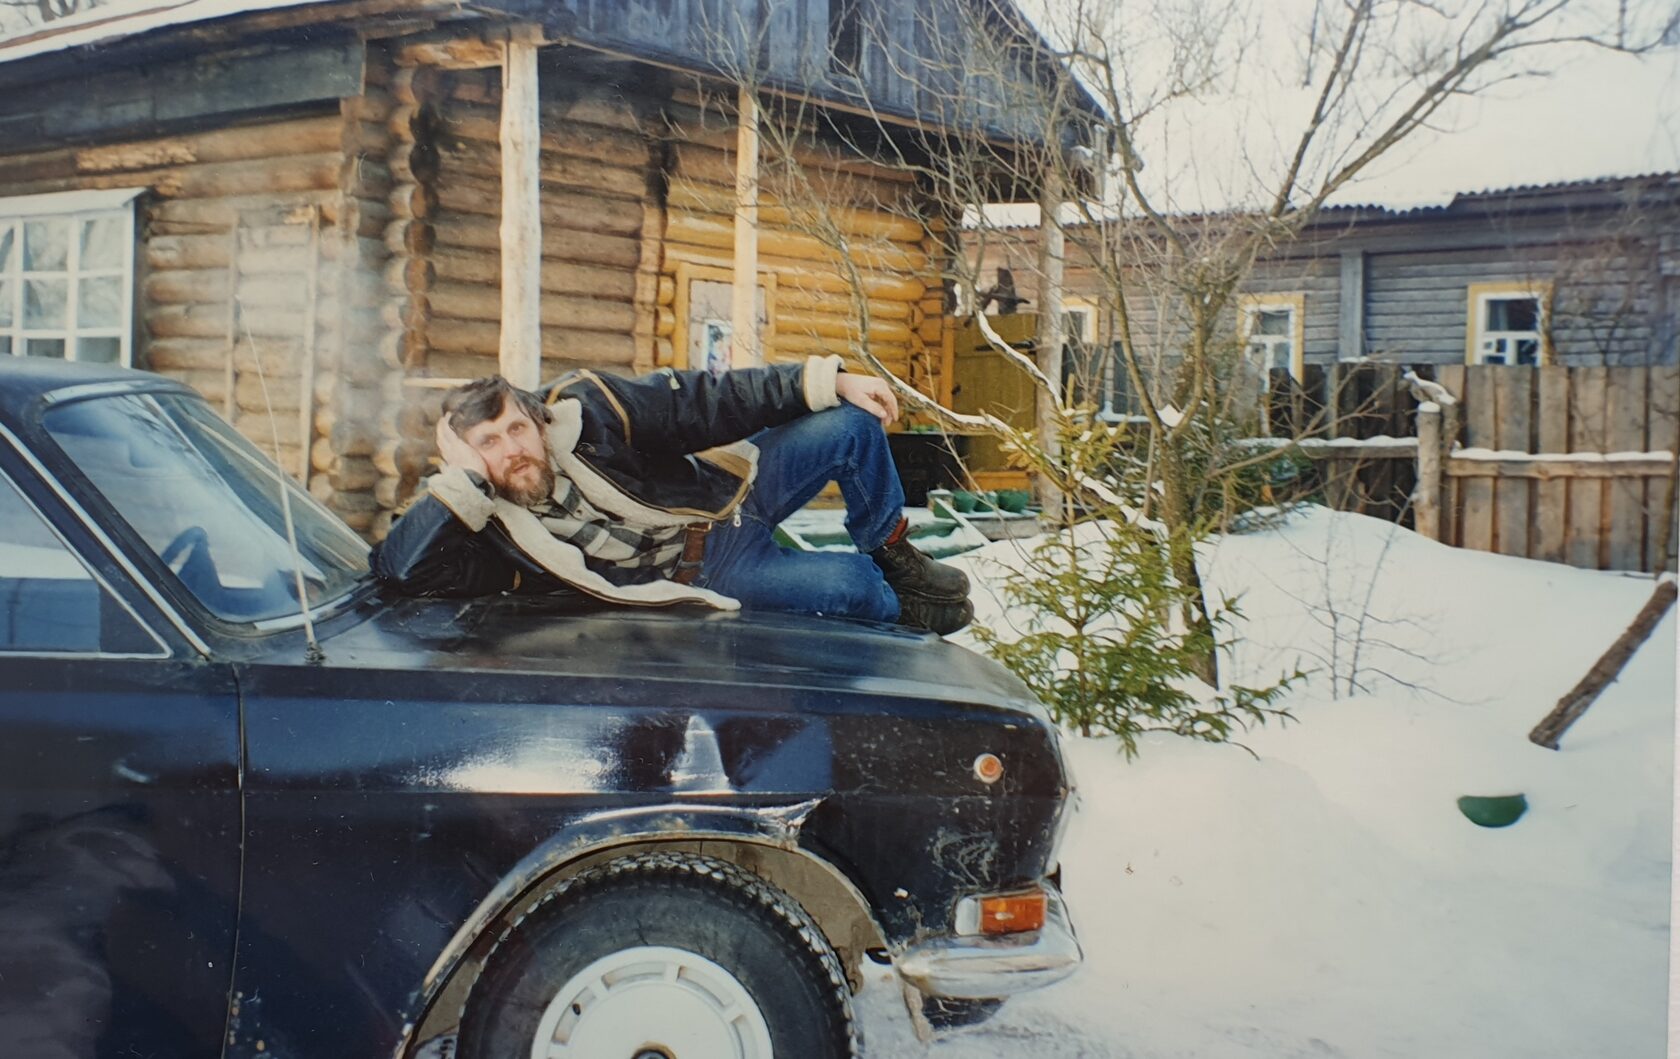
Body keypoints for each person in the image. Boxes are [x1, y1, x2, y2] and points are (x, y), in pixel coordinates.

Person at [371, 354, 973, 634]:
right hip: (710, 571)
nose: (512, 450)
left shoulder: (590, 409)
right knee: (855, 588)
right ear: (467, 456)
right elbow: (399, 574)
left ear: (534, 418)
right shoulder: (485, 529)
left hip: (726, 497)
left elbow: (700, 400)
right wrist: (464, 482)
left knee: (849, 424)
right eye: (489, 444)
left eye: (516, 429)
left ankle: (895, 553)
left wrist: (828, 379)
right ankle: (897, 602)